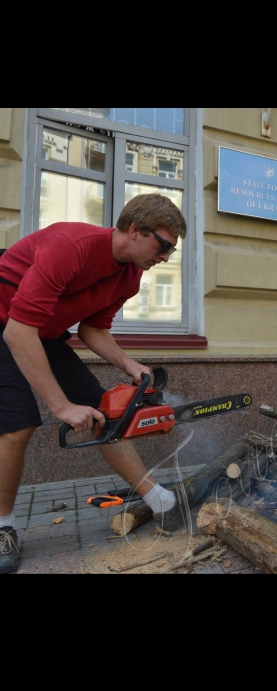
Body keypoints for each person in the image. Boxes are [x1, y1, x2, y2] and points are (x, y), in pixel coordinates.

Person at [0, 194, 187, 574]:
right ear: (135, 230)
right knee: (17, 424)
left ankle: (159, 498)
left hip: (41, 332)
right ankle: (3, 526)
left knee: (106, 411)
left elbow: (93, 328)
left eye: (171, 250)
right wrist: (61, 407)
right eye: (163, 245)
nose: (165, 257)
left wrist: (129, 364)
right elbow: (19, 332)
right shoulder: (70, 248)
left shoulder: (131, 275)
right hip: (7, 324)